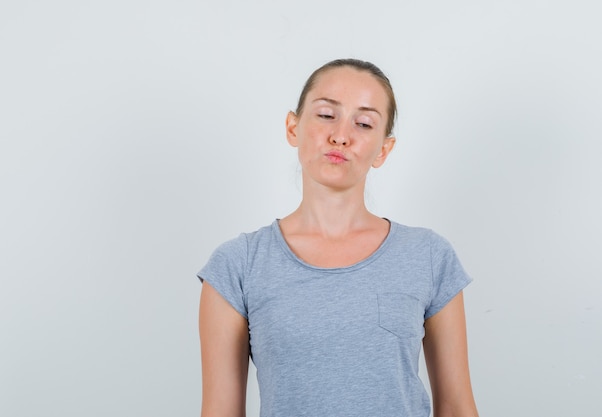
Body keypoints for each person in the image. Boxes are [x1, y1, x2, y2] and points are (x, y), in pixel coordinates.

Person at [198, 58, 479, 417]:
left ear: (383, 149)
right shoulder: (237, 266)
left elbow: (456, 407)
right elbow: (220, 411)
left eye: (363, 123)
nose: (341, 135)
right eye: (327, 115)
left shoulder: (429, 256)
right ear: (293, 127)